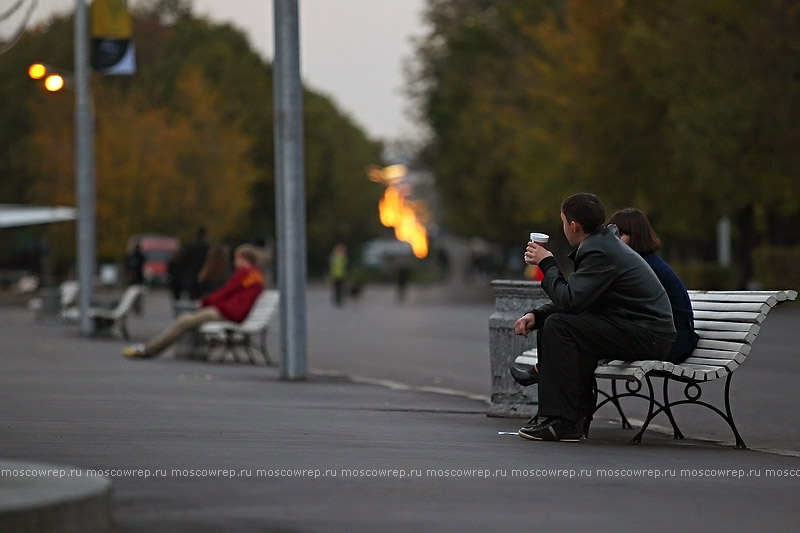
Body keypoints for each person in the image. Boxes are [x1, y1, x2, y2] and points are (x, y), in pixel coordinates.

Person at [509, 193, 675, 442]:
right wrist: (537, 315)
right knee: (554, 324)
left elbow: (569, 301)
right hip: (636, 328)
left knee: (560, 327)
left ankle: (563, 421)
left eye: (563, 222)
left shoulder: (600, 251)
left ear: (574, 226)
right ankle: (567, 418)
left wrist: (547, 264)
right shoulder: (602, 245)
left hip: (648, 334)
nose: (563, 227)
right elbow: (579, 300)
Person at [123, 244, 264, 359]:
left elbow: (225, 292)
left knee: (183, 321)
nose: (234, 262)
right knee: (185, 320)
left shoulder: (243, 273)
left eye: (236, 258)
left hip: (228, 313)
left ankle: (149, 349)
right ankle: (149, 348)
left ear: (244, 258)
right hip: (236, 314)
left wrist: (204, 302)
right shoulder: (256, 276)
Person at [607, 208, 699, 364]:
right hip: (665, 337)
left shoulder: (644, 268)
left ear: (636, 237)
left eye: (619, 235)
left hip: (673, 342)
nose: (612, 240)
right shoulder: (641, 263)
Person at [180, 227, 211, 300]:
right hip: (204, 277)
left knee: (192, 298)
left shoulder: (190, 247)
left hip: (191, 277)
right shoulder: (207, 247)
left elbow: (184, 262)